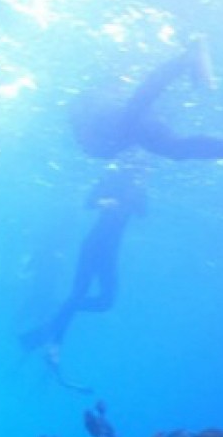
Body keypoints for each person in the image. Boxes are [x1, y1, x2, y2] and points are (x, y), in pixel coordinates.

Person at [68, 37, 223, 271]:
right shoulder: (104, 133)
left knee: (139, 115)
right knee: (173, 148)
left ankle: (185, 60)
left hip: (114, 123)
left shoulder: (98, 119)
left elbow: (129, 102)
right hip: (122, 128)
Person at [20, 164, 147, 388]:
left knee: (106, 301)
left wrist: (140, 187)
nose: (141, 171)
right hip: (92, 247)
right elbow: (88, 201)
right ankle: (54, 345)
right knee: (79, 294)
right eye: (139, 168)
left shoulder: (136, 189)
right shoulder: (112, 177)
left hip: (109, 253)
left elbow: (143, 212)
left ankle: (50, 328)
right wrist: (103, 201)